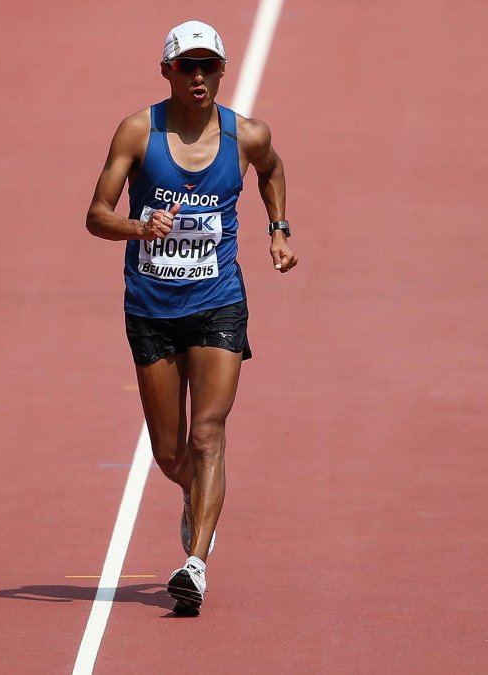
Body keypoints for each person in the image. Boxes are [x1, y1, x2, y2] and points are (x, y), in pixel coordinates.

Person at [85, 19, 297, 616]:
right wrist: (137, 226)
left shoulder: (247, 136)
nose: (198, 76)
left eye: (209, 66)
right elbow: (96, 215)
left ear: (221, 72)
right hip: (151, 308)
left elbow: (273, 171)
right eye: (187, 67)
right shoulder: (138, 132)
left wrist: (277, 231)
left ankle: (195, 564)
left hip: (218, 302)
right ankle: (197, 495)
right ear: (167, 72)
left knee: (208, 435)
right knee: (171, 453)